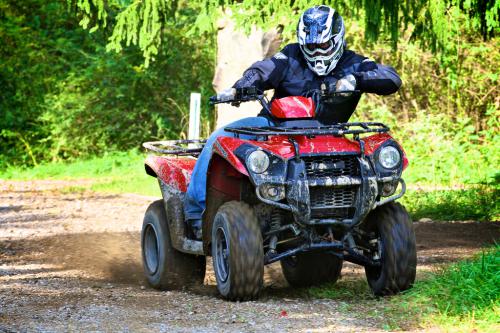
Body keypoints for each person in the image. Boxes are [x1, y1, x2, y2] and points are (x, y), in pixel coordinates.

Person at [184, 5, 402, 239]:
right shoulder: (290, 56)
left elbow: (391, 78)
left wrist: (355, 79)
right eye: (311, 46)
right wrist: (242, 86)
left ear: (338, 39)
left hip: (330, 137)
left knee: (375, 161)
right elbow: (261, 70)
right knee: (221, 138)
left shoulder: (353, 63)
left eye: (324, 45)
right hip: (273, 130)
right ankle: (196, 214)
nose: (317, 52)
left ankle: (354, 217)